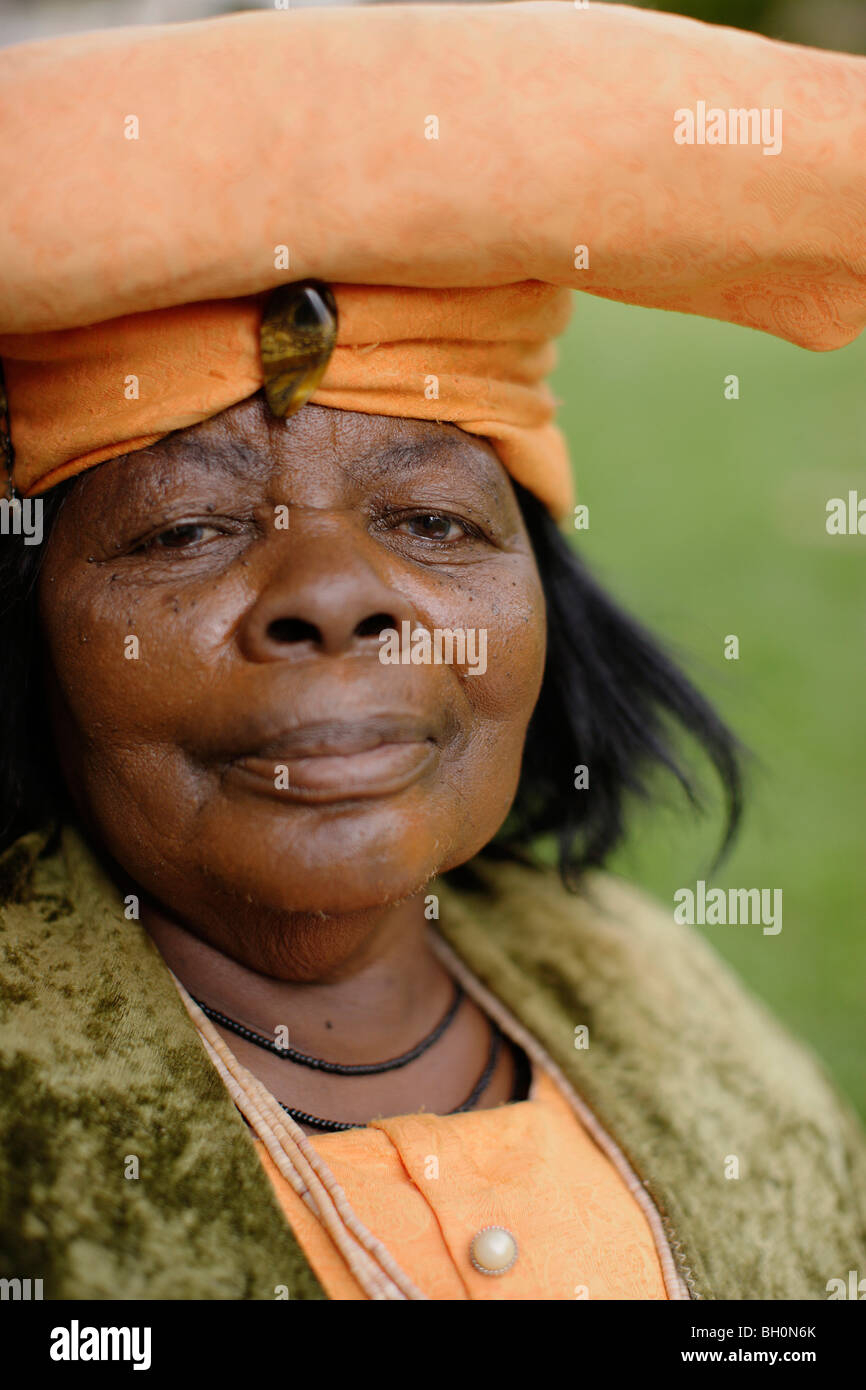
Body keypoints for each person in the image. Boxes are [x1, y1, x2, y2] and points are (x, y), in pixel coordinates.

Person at [0, 2, 864, 1301]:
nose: (335, 596)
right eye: (184, 526)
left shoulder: (682, 1020)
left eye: (430, 518)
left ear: (545, 601)